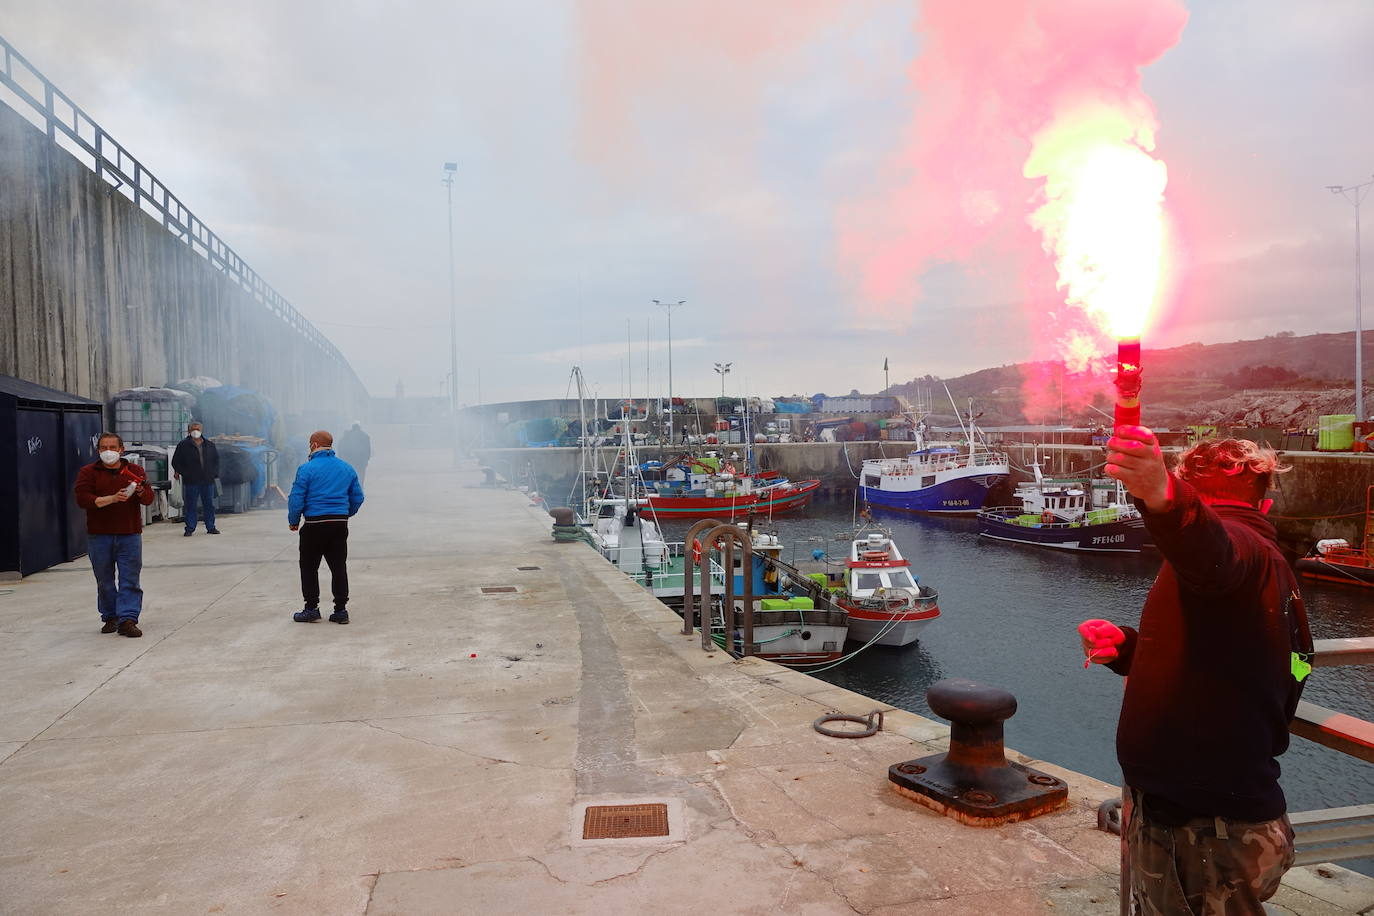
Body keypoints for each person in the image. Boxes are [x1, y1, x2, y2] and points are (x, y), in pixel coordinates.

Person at [1079, 430, 1309, 915]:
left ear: (1195, 498)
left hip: (1203, 830)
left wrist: (1161, 496)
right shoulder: (1270, 563)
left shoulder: (1238, 547)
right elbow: (1240, 663)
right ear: (1265, 504)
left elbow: (1212, 553)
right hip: (1222, 819)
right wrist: (1129, 650)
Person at [73, 432, 156, 637]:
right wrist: (111, 498)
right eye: (103, 448)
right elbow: (83, 499)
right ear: (98, 450)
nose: (108, 452)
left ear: (121, 450)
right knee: (104, 579)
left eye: (112, 447)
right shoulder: (88, 472)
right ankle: (111, 616)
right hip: (99, 535)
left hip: (129, 534)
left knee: (130, 578)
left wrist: (139, 491)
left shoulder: (135, 470)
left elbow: (148, 498)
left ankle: (128, 619)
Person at [287, 430, 364, 624]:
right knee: (338, 566)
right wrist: (345, 514)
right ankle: (341, 610)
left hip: (314, 524)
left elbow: (296, 497)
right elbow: (358, 497)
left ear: (313, 445)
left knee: (309, 567)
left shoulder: (306, 469)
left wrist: (294, 520)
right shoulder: (347, 468)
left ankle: (311, 608)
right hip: (339, 524)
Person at [171, 420, 220, 536]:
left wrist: (214, 473)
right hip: (191, 481)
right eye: (193, 429)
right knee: (191, 505)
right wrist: (184, 473)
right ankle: (190, 528)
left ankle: (211, 527)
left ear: (201, 430)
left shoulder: (209, 445)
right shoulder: (183, 445)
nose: (195, 432)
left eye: (197, 429)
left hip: (208, 480)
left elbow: (216, 460)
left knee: (209, 504)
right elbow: (176, 461)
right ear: (189, 431)